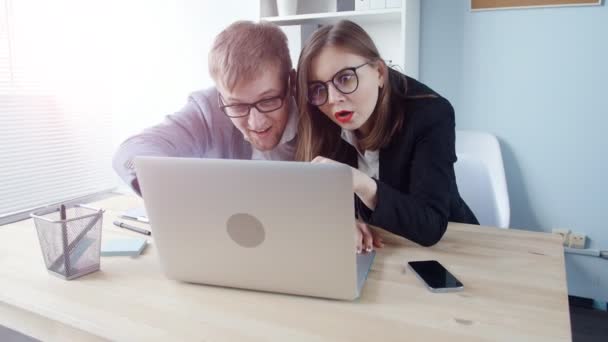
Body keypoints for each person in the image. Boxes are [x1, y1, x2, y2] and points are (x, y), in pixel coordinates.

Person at [295, 20, 479, 247]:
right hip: (379, 246)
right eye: (318, 88)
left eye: (345, 78)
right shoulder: (321, 116)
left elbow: (430, 225)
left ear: (380, 72)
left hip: (451, 246)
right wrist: (340, 220)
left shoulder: (430, 114)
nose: (333, 98)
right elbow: (316, 200)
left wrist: (362, 184)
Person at [113, 21, 298, 196]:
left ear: (291, 83)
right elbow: (130, 151)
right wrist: (165, 183)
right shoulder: (209, 108)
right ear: (220, 95)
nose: (255, 122)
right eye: (237, 105)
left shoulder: (318, 110)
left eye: (267, 100)